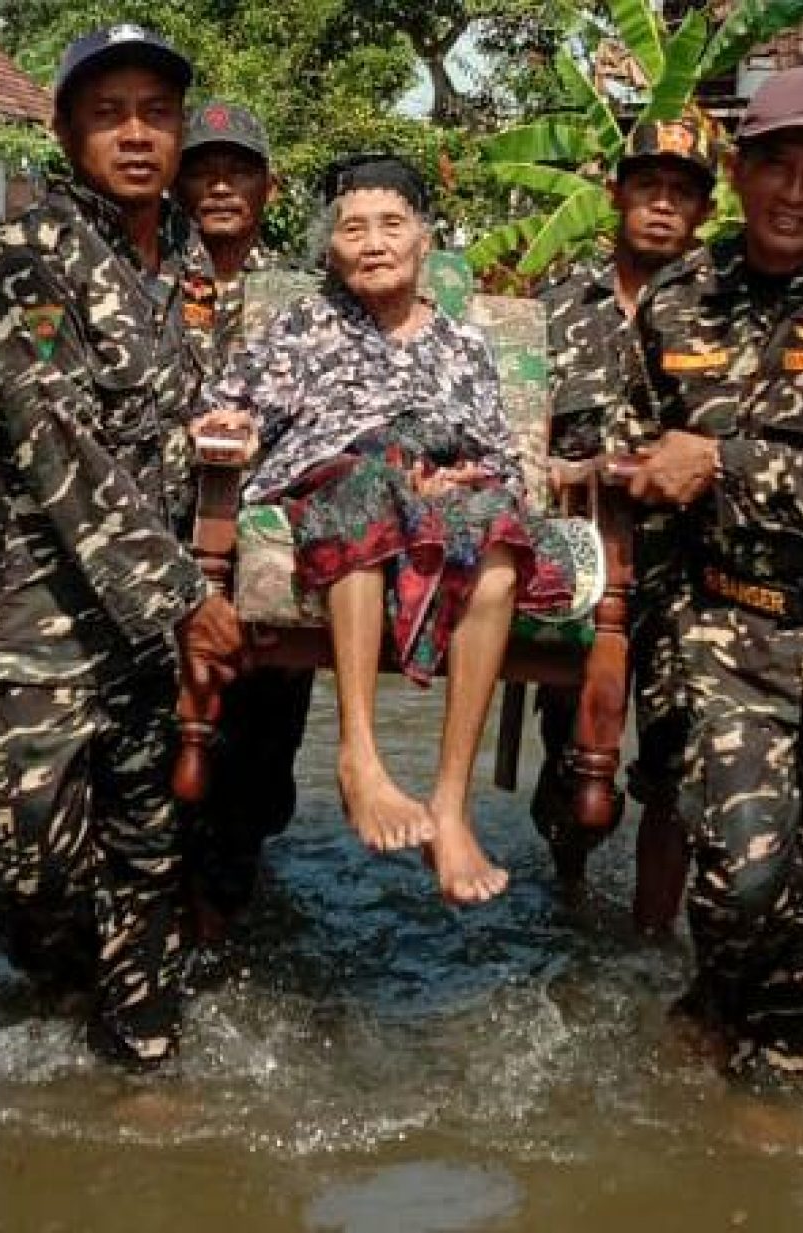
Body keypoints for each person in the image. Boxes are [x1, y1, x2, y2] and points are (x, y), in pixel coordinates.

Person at [0, 25, 241, 1070]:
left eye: (154, 114)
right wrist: (184, 597)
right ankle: (66, 994)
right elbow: (56, 441)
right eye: (108, 114)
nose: (134, 135)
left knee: (146, 846)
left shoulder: (186, 271)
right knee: (29, 862)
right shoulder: (31, 259)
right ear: (66, 131)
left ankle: (139, 1054)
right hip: (31, 621)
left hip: (142, 636)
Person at [196, 154, 576, 904]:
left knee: (501, 543)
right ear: (330, 248)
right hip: (338, 480)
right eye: (352, 228)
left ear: (424, 240)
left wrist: (466, 477)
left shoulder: (464, 344)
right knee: (366, 488)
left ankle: (450, 802)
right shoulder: (306, 325)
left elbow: (499, 453)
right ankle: (360, 759)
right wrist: (229, 427)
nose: (372, 242)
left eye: (391, 225)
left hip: (439, 492)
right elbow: (229, 399)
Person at [625, 66, 803, 1080]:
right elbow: (640, 457)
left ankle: (770, 1127)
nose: (793, 192)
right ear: (736, 173)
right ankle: (712, 1001)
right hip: (725, 642)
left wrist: (723, 465)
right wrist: (627, 657)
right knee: (738, 885)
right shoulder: (681, 296)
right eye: (773, 165)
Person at [534, 117, 716, 932]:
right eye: (649, 185)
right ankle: (567, 898)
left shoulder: (726, 310)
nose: (663, 204)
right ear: (617, 195)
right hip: (575, 569)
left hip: (692, 571)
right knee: (572, 764)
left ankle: (648, 937)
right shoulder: (557, 305)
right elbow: (520, 426)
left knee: (678, 764)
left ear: (704, 210)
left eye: (682, 191)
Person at [174, 102, 314, 945]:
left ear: (269, 186)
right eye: (204, 169)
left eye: (240, 171)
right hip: (160, 556)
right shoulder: (144, 277)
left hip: (269, 557)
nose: (221, 186)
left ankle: (226, 918)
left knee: (258, 766)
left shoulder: (304, 300)